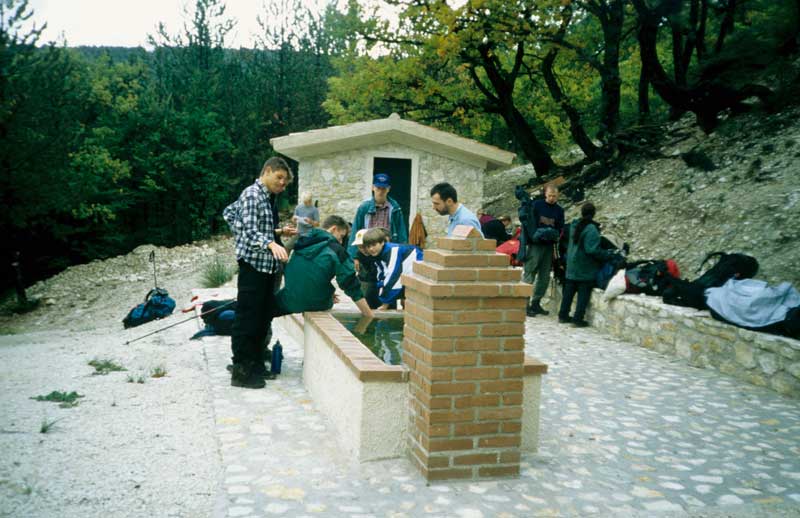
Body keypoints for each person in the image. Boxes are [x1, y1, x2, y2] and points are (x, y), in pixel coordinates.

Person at [222, 157, 297, 389]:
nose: (282, 184)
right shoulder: (252, 194)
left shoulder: (266, 197)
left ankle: (254, 364)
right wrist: (271, 244)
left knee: (262, 317)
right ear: (267, 171)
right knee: (247, 318)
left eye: (285, 182)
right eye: (279, 178)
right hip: (253, 266)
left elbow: (245, 221)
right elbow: (250, 230)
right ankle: (241, 372)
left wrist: (278, 231)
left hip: (266, 266)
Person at [273, 215, 373, 318]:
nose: (341, 242)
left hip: (289, 300)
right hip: (317, 303)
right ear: (334, 229)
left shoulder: (302, 241)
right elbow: (350, 283)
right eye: (342, 236)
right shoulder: (336, 250)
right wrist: (368, 315)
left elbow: (306, 273)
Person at [348, 173, 409, 307]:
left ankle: (388, 317)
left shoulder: (395, 207)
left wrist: (402, 254)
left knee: (389, 283)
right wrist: (354, 257)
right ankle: (367, 317)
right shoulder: (364, 208)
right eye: (378, 187)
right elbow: (355, 231)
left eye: (384, 188)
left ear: (388, 189)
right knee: (367, 290)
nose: (381, 191)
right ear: (373, 188)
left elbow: (401, 232)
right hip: (367, 253)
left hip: (387, 252)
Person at [558, 202, 617, 328]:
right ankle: (577, 318)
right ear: (594, 213)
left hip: (571, 265)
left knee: (569, 291)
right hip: (584, 267)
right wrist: (607, 254)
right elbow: (592, 250)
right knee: (583, 292)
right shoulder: (591, 229)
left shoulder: (574, 225)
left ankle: (563, 315)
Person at [521, 185, 564, 317]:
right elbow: (528, 223)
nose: (552, 198)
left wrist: (555, 235)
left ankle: (536, 302)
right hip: (535, 245)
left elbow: (560, 227)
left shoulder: (559, 210)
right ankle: (524, 304)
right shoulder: (537, 205)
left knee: (544, 276)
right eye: (550, 195)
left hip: (549, 246)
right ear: (545, 194)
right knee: (530, 273)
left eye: (554, 196)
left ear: (558, 196)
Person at [360, 227, 423, 310]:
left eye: (374, 245)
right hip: (408, 274)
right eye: (368, 246)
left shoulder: (393, 251)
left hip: (419, 271)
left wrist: (385, 303)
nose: (371, 249)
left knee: (410, 303)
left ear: (382, 242)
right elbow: (382, 276)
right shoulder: (378, 256)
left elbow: (393, 277)